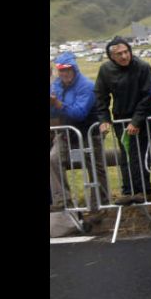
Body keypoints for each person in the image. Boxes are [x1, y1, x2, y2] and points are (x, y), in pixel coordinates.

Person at [94, 36, 151, 205]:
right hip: (121, 119)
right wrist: (104, 119)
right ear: (111, 56)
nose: (124, 56)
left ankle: (143, 191)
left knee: (142, 154)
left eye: (126, 52)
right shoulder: (105, 70)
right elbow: (100, 96)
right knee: (126, 155)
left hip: (143, 119)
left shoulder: (143, 67)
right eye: (119, 54)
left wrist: (136, 121)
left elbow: (148, 96)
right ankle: (128, 191)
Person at [50, 52, 109, 212]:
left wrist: (58, 104)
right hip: (67, 134)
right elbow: (54, 113)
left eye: (68, 69)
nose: (65, 73)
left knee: (96, 168)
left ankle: (100, 206)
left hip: (90, 134)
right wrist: (52, 106)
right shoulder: (56, 85)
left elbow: (80, 113)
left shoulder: (87, 86)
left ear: (75, 69)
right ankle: (63, 201)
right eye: (61, 71)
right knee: (53, 159)